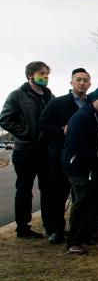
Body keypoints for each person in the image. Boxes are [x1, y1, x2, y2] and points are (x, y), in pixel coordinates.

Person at [0, 61, 54, 238]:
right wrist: (26, 134)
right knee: (24, 189)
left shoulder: (49, 96)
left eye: (47, 74)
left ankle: (50, 224)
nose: (45, 77)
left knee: (48, 189)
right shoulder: (17, 95)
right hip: (25, 151)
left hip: (45, 151)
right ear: (31, 75)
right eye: (42, 73)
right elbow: (5, 119)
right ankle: (22, 227)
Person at [62, 86, 98, 255]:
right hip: (77, 165)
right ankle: (74, 241)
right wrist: (97, 161)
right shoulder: (81, 117)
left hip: (97, 167)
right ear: (93, 101)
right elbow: (77, 145)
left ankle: (89, 233)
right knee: (82, 198)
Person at [39, 67, 91, 244]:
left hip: (83, 157)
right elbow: (43, 124)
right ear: (71, 82)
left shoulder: (92, 103)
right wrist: (61, 130)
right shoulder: (58, 103)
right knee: (58, 195)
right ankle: (56, 230)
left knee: (82, 197)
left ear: (89, 84)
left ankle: (81, 230)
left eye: (85, 80)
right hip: (60, 156)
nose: (82, 83)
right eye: (78, 79)